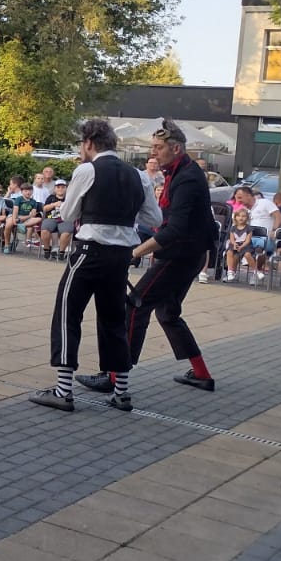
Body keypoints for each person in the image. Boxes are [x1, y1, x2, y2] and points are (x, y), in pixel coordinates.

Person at [31, 118, 161, 413]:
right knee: (114, 319)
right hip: (121, 256)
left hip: (90, 252)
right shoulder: (139, 176)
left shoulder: (87, 170)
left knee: (67, 314)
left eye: (82, 144)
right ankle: (121, 393)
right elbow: (155, 219)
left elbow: (68, 213)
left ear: (89, 143)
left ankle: (63, 391)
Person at [100, 119, 217, 395]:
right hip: (189, 253)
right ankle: (202, 374)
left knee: (135, 305)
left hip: (180, 255)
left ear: (175, 148)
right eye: (152, 147)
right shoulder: (181, 171)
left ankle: (116, 376)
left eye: (158, 147)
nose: (153, 153)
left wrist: (134, 252)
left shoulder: (187, 178)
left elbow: (175, 229)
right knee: (168, 313)